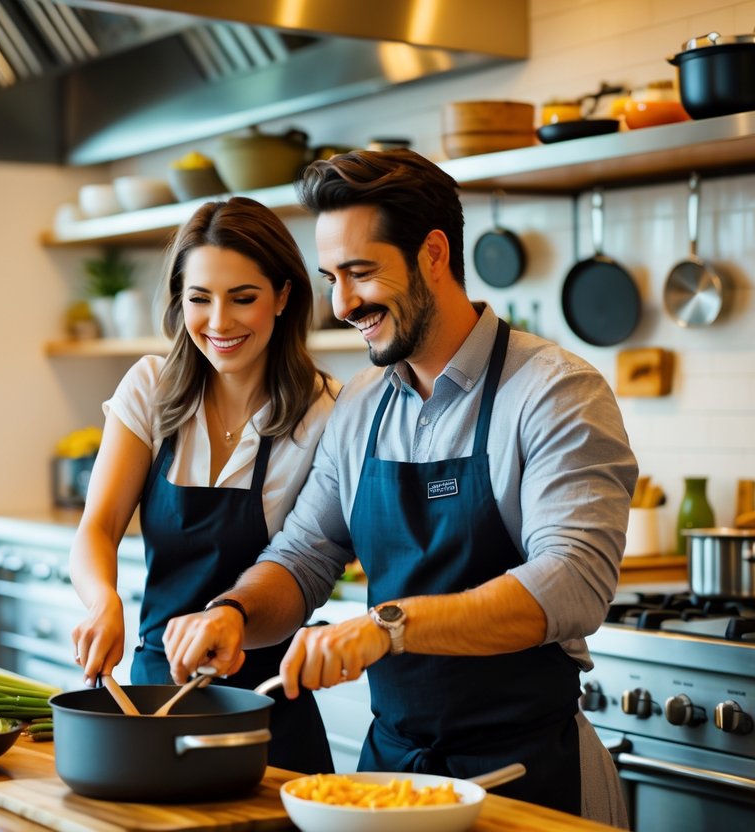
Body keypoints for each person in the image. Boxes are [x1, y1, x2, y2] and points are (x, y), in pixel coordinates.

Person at [161, 150, 636, 828]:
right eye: (330, 277)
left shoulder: (554, 390)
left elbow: (571, 583)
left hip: (528, 774)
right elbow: (303, 556)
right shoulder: (358, 406)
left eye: (360, 273)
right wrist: (233, 613)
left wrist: (388, 628)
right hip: (390, 780)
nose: (342, 303)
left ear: (433, 254)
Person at [69, 196, 340, 774]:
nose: (219, 323)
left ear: (283, 296)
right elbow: (98, 527)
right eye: (199, 299)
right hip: (154, 689)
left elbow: (312, 559)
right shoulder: (150, 388)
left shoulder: (326, 411)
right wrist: (103, 601)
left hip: (268, 702)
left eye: (243, 298)